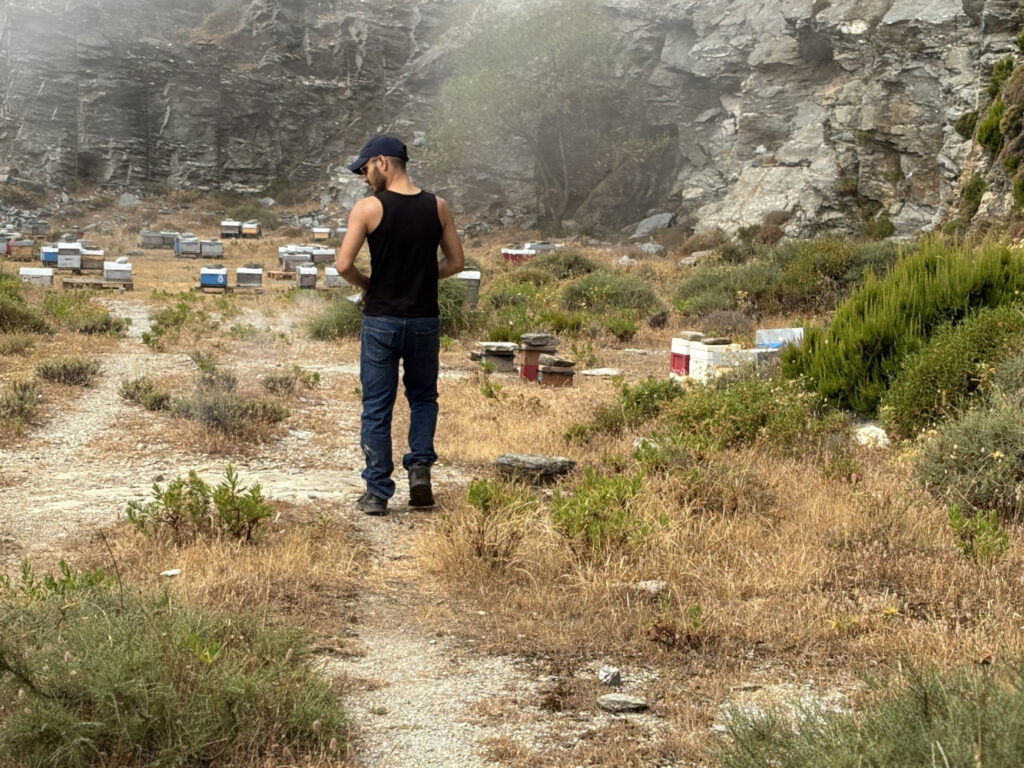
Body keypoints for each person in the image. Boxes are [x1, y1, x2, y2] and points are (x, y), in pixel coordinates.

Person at [336, 135, 465, 516]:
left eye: (365, 169)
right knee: (423, 397)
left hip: (381, 322)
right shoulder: (438, 207)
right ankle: (420, 471)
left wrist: (369, 287)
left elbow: (344, 265)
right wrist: (423, 277)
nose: (363, 177)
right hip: (425, 320)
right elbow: (456, 263)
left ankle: (377, 492)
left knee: (378, 405)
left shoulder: (368, 209)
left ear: (382, 162)